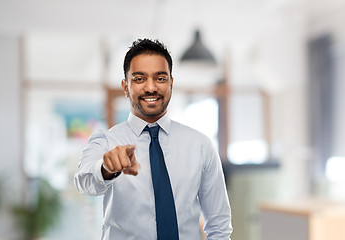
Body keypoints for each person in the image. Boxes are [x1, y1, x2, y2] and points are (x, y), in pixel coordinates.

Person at [74, 38, 232, 240]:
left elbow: (219, 226)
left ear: (171, 83)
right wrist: (106, 169)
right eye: (139, 79)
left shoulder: (200, 145)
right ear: (125, 86)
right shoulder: (106, 141)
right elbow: (84, 181)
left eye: (160, 78)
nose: (151, 88)